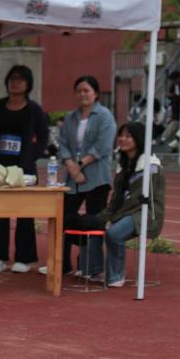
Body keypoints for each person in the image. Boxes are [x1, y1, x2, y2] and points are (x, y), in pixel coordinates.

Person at [64, 122, 166, 287]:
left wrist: (112, 220)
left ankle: (116, 276)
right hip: (125, 212)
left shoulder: (151, 165)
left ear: (139, 139)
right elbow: (116, 199)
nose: (122, 139)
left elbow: (137, 200)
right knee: (89, 224)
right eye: (121, 135)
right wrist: (103, 217)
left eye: (128, 136)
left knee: (114, 233)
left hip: (145, 213)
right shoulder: (123, 164)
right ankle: (92, 270)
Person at [0, 65, 49, 273]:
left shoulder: (34, 110)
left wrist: (31, 155)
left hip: (24, 168)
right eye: (12, 78)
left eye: (20, 79)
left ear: (28, 84)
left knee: (24, 213)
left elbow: (43, 137)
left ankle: (24, 257)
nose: (15, 83)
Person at [54, 75, 116, 278]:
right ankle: (62, 264)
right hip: (73, 178)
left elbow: (102, 146)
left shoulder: (105, 116)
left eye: (86, 90)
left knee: (94, 221)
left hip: (97, 177)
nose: (83, 94)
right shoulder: (70, 118)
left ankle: (91, 267)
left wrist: (79, 165)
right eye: (79, 90)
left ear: (96, 93)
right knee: (63, 217)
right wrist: (71, 166)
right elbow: (63, 144)